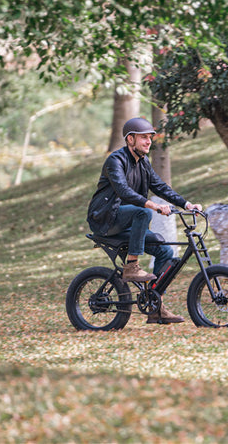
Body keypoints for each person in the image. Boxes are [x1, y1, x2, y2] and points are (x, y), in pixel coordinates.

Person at [87, 117, 203, 324]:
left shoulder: (144, 163)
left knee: (165, 251)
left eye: (150, 138)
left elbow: (160, 187)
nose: (149, 141)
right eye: (143, 138)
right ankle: (132, 266)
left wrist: (187, 205)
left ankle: (154, 305)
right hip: (106, 219)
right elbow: (123, 191)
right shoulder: (115, 161)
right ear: (130, 139)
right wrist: (153, 206)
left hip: (128, 223)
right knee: (144, 212)